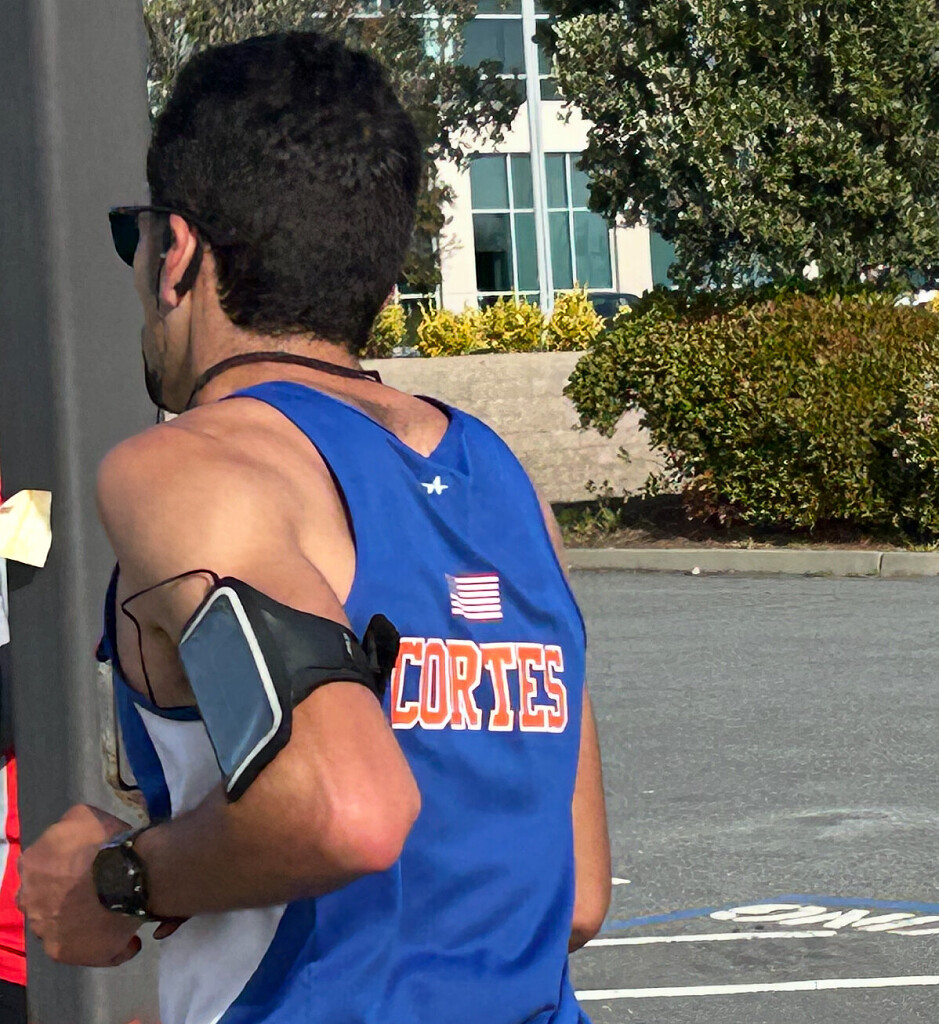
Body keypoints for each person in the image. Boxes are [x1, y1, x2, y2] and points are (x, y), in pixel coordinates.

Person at [18, 31, 610, 1024]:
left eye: (136, 239)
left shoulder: (190, 468)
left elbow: (347, 810)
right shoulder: (503, 485)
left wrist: (114, 878)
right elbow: (577, 893)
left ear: (177, 254)